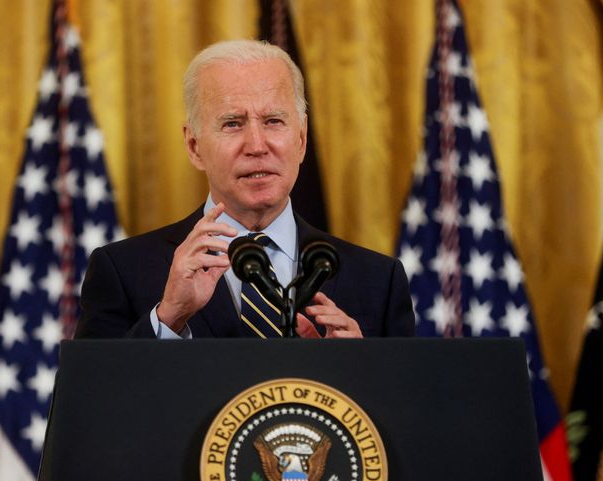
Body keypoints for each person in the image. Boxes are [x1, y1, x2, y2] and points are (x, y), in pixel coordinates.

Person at [75, 40, 414, 340]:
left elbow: (407, 410)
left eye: (274, 121)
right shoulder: (121, 271)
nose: (256, 145)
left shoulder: (378, 281)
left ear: (301, 139)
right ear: (194, 146)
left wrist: (361, 371)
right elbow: (92, 407)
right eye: (232, 123)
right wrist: (169, 319)